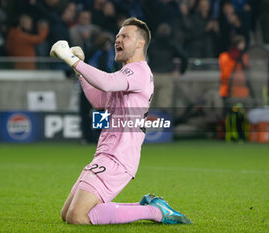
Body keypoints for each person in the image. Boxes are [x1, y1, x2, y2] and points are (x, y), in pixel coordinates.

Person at [50, 17, 192, 225]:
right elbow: (99, 99)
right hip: (105, 154)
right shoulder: (126, 74)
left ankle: (155, 212)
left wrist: (73, 60)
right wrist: (77, 70)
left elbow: (106, 83)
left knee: (78, 216)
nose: (118, 40)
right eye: (118, 36)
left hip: (118, 157)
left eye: (125, 36)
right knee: (67, 214)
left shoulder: (139, 71)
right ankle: (147, 206)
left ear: (140, 43)